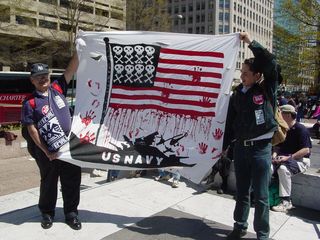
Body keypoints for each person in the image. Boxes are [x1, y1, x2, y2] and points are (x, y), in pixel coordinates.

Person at [223, 32, 280, 240]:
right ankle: (239, 226)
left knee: (262, 196)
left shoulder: (267, 89)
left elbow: (270, 62)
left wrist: (250, 43)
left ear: (257, 75)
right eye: (242, 72)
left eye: (246, 73)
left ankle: (262, 235)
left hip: (260, 150)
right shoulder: (238, 93)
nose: (242, 76)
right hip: (240, 148)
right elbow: (230, 123)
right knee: (242, 192)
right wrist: (223, 145)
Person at [21, 52, 81, 230]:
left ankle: (71, 214)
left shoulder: (58, 88)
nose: (42, 79)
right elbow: (31, 130)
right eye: (37, 77)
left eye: (44, 75)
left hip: (68, 147)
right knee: (49, 182)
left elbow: (71, 69)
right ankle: (47, 213)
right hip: (47, 151)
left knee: (72, 180)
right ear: (32, 81)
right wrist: (46, 151)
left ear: (49, 76)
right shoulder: (29, 102)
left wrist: (79, 47)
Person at [271, 104, 311, 212]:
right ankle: (261, 195)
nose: (278, 117)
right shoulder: (282, 129)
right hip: (283, 158)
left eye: (280, 114)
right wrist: (274, 156)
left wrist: (289, 157)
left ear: (288, 115)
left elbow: (306, 150)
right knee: (267, 167)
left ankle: (286, 202)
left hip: (300, 160)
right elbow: (277, 146)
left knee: (283, 169)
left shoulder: (301, 129)